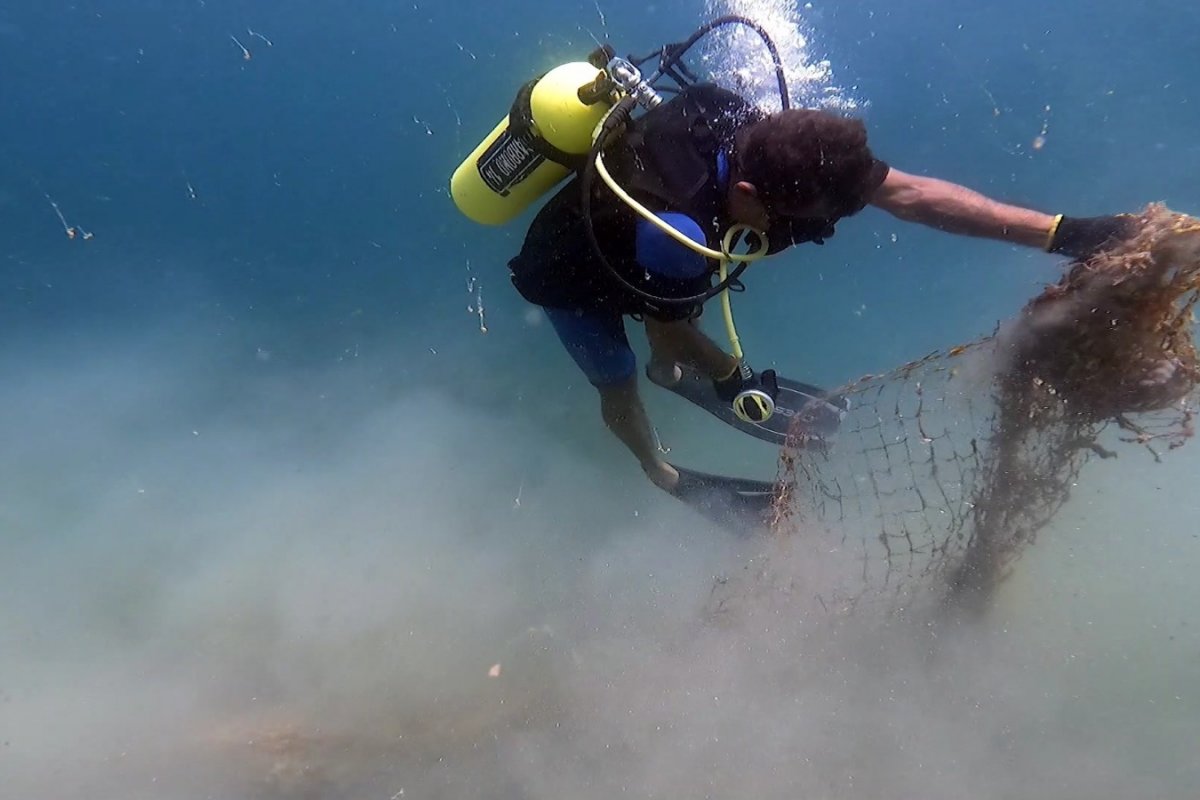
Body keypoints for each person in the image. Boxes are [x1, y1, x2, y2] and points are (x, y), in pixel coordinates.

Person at [507, 82, 1135, 493]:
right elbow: (666, 328)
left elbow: (913, 195)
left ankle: (673, 382)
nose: (820, 233)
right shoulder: (677, 232)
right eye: (806, 223)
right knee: (620, 372)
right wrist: (732, 376)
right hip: (573, 274)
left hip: (661, 265)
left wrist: (1065, 233)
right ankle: (660, 471)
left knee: (671, 349)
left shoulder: (779, 144)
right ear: (749, 197)